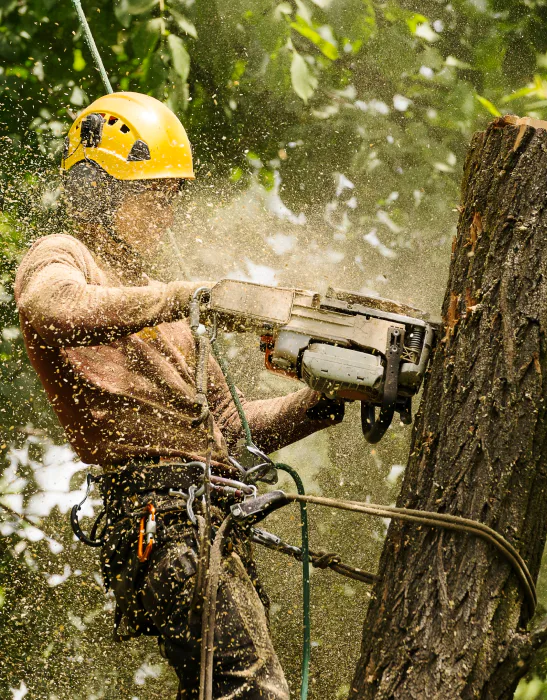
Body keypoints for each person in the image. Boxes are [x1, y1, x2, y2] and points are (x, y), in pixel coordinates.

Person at [14, 91, 343, 699]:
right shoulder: (66, 256)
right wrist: (181, 295)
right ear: (99, 191)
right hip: (159, 515)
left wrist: (318, 404)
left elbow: (227, 424)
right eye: (153, 198)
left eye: (171, 201)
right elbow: (47, 306)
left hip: (203, 515)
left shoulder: (166, 303)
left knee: (228, 688)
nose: (166, 216)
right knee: (255, 690)